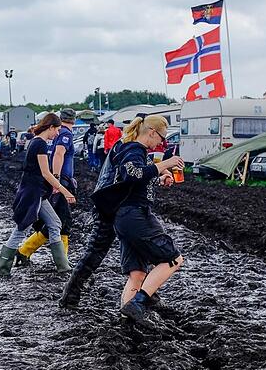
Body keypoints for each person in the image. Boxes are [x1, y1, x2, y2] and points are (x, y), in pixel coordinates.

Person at [58, 115, 186, 320]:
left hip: (117, 207)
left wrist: (159, 177)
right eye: (162, 139)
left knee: (133, 267)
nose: (162, 144)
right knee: (95, 252)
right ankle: (71, 297)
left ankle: (142, 300)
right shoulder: (129, 147)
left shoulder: (130, 146)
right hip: (112, 207)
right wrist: (163, 166)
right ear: (151, 131)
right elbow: (131, 176)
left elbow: (136, 180)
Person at [0, 113, 76, 278]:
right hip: (32, 195)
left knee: (55, 223)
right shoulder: (39, 143)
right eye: (57, 130)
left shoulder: (38, 142)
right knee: (21, 229)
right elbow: (46, 173)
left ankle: (63, 266)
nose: (57, 134)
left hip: (38, 193)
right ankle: (3, 269)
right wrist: (64, 190)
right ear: (50, 127)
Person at [16, 108, 79, 265]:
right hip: (60, 181)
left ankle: (26, 251)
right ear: (74, 120)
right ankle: (28, 252)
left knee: (58, 221)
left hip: (56, 181)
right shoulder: (65, 134)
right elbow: (58, 154)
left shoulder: (56, 133)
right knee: (62, 221)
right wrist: (58, 181)